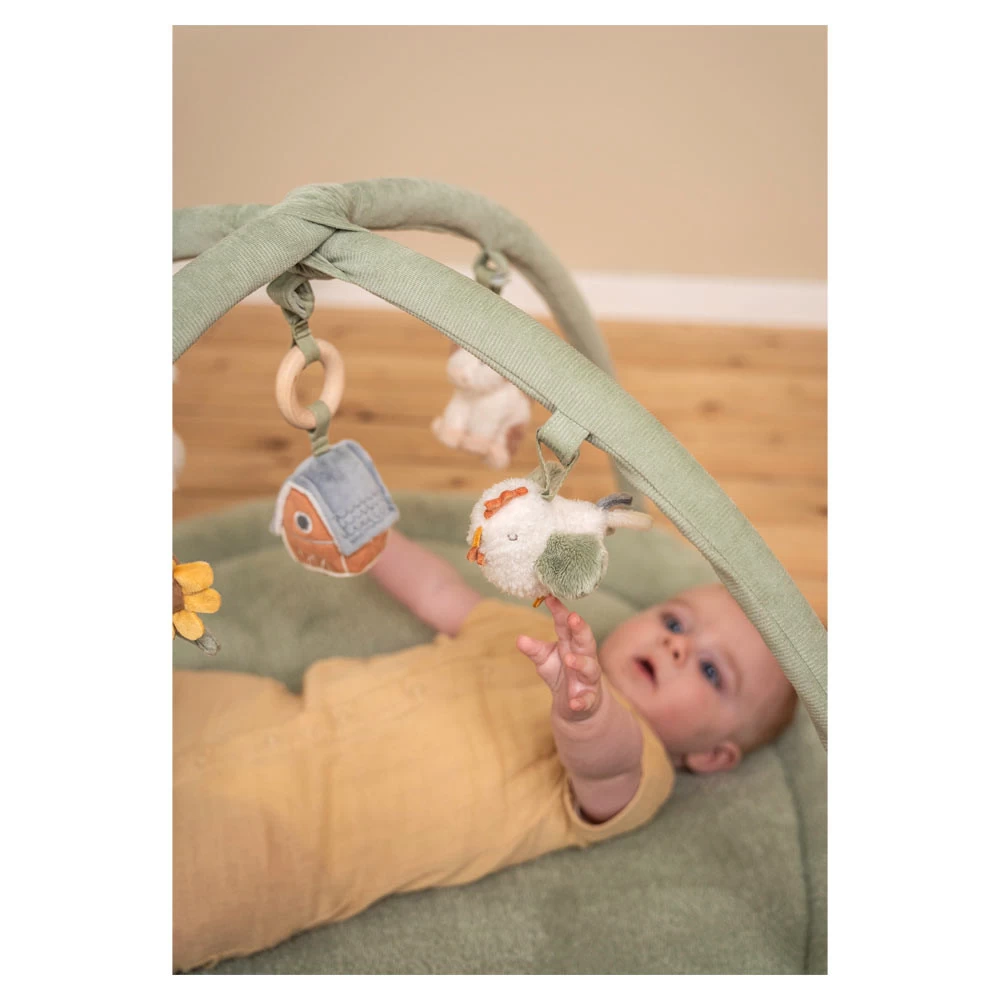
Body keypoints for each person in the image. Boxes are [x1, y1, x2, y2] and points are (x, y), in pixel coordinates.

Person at [173, 528, 798, 971]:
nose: (677, 646)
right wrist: (369, 533)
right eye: (675, 622)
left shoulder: (644, 768)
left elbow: (603, 765)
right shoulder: (533, 635)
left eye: (711, 672)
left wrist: (584, 710)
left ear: (712, 757)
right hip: (265, 710)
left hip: (287, 844)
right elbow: (439, 594)